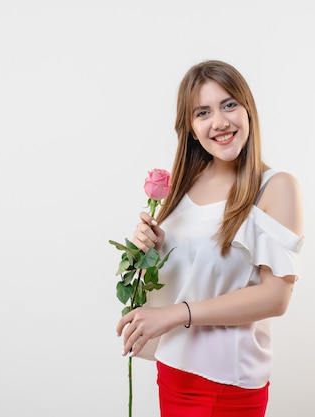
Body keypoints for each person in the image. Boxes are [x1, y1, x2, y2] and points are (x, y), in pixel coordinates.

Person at [115, 59, 305, 417]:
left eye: (229, 104)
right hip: (172, 369)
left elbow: (276, 296)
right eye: (203, 112)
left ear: (248, 109)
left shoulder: (276, 186)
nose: (219, 122)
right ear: (190, 127)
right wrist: (152, 247)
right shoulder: (184, 187)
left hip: (226, 381)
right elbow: (193, 273)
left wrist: (176, 314)